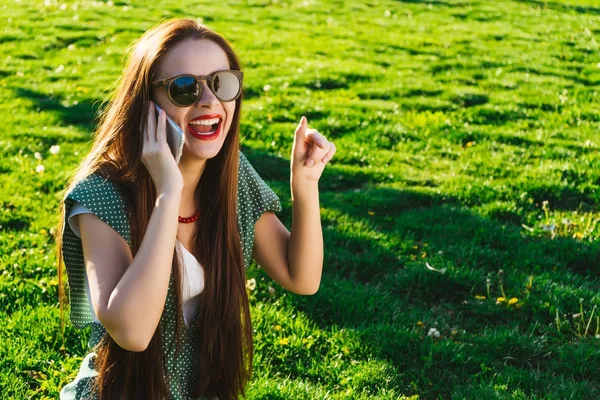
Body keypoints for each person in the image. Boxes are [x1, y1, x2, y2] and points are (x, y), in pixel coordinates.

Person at [54, 18, 336, 400]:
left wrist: (305, 186)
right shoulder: (102, 195)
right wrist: (167, 194)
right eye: (184, 88)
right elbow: (133, 333)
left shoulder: (230, 177)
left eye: (221, 83)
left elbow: (301, 277)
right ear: (147, 103)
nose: (209, 101)